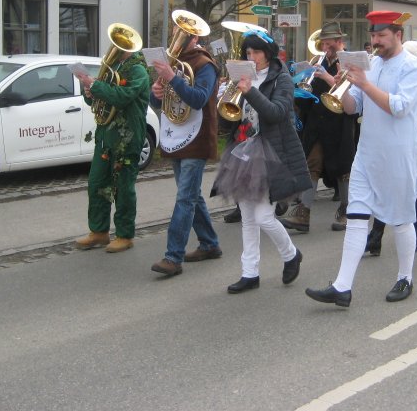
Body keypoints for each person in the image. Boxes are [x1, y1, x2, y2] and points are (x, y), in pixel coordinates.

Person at [305, 10, 417, 307]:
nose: (375, 41)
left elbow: (398, 107)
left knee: (400, 218)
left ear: (399, 35)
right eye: (373, 36)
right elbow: (350, 108)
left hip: (398, 155)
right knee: (357, 216)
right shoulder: (371, 65)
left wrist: (365, 83)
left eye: (382, 36)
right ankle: (342, 286)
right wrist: (342, 88)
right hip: (368, 153)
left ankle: (405, 276)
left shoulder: (414, 68)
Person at [213, 31, 310, 294]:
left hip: (272, 153)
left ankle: (291, 254)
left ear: (268, 54)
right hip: (243, 150)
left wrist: (250, 91)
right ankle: (249, 272)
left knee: (265, 217)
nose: (251, 58)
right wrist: (222, 97)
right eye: (247, 53)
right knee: (247, 217)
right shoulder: (242, 79)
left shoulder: (282, 79)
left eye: (256, 53)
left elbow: (277, 113)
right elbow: (227, 124)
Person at [149, 34, 222, 276]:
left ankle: (173, 257)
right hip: (176, 134)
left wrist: (172, 77)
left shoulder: (205, 65)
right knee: (190, 195)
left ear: (196, 38)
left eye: (184, 35)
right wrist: (156, 91)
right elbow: (158, 100)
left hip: (197, 136)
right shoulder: (174, 61)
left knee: (185, 198)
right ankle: (210, 243)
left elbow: (199, 99)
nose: (176, 38)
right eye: (175, 32)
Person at [363, 40, 417, 255]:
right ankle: (376, 236)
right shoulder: (393, 69)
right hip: (392, 139)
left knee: (414, 191)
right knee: (383, 188)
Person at [281, 22, 357, 232]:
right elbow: (310, 91)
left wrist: (325, 75)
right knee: (311, 163)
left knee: (343, 168)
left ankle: (346, 211)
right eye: (323, 43)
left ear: (339, 42)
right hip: (317, 122)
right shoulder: (318, 61)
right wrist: (301, 83)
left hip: (340, 122)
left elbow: (348, 89)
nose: (324, 47)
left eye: (329, 43)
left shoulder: (349, 61)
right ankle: (303, 213)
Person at [74, 43, 151, 253]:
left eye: (118, 45)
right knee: (97, 182)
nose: (112, 48)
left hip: (128, 136)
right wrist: (90, 93)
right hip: (106, 135)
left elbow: (122, 97)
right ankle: (99, 231)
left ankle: (125, 235)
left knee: (123, 187)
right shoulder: (113, 68)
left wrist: (95, 86)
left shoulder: (138, 70)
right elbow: (103, 100)